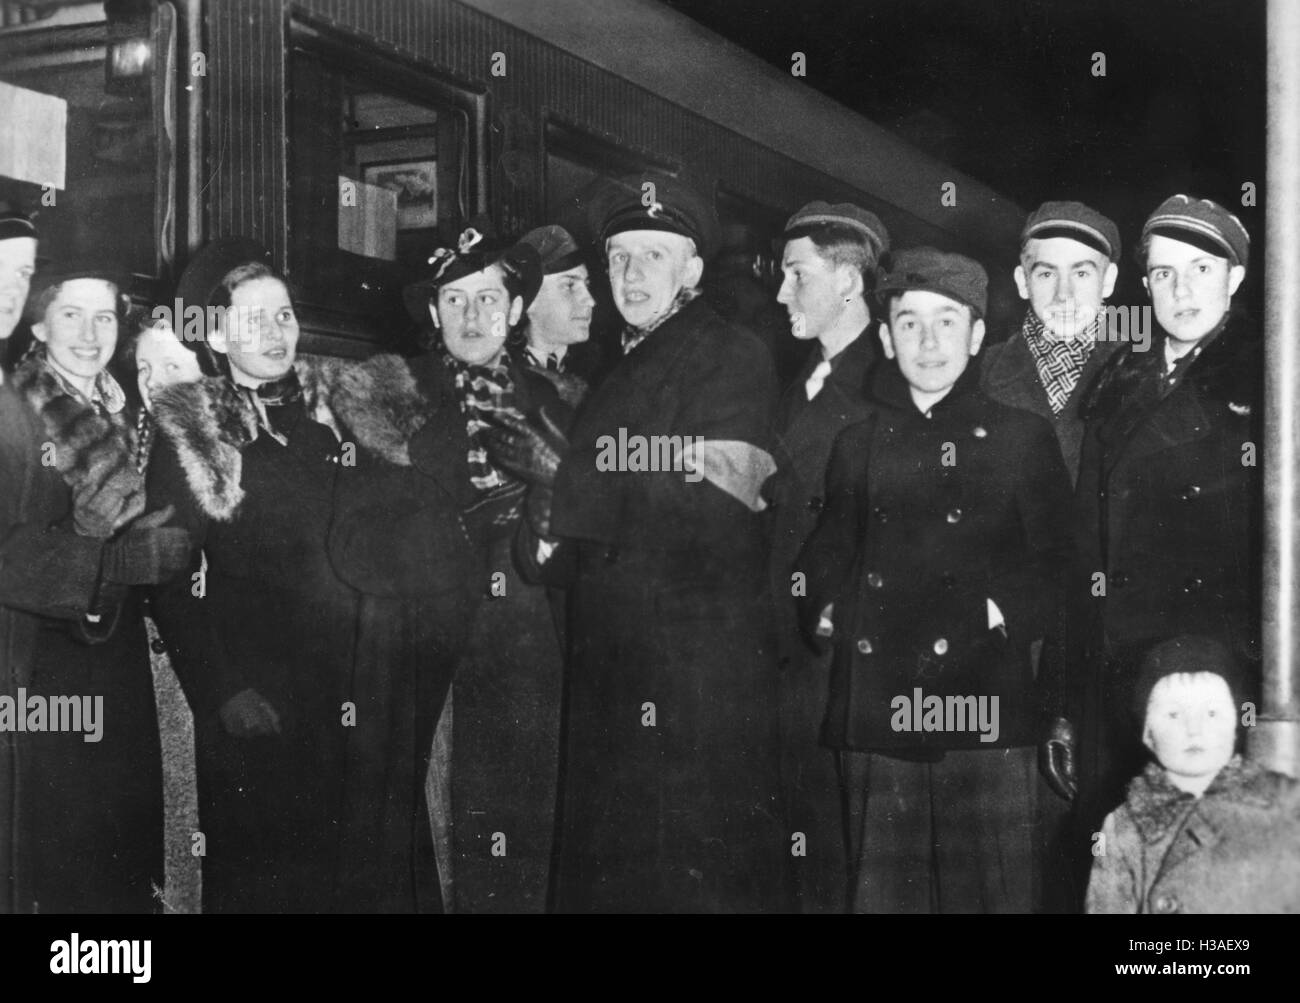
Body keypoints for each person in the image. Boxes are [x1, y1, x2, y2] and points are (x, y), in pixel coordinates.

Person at [489, 172, 790, 913]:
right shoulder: (622, 363)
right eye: (618, 257)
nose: (628, 275)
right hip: (624, 662)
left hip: (688, 672)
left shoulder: (731, 352)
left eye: (652, 257)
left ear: (691, 269)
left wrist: (566, 476)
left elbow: (718, 490)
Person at [147, 242, 446, 912]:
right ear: (218, 334)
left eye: (283, 315)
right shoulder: (193, 428)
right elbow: (167, 579)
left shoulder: (334, 411)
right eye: (255, 320)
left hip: (357, 691)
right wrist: (223, 692)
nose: (277, 332)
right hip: (264, 706)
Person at [797, 248, 1074, 913]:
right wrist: (824, 604)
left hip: (984, 708)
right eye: (911, 322)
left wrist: (994, 608)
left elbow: (1063, 569)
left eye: (947, 322)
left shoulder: (1022, 438)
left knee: (993, 895)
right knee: (884, 895)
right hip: (879, 709)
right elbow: (825, 550)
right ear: (886, 337)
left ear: (977, 335)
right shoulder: (857, 443)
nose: (929, 341)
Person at [0, 262, 189, 913]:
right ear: (39, 320)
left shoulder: (133, 411)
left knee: (119, 867)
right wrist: (107, 564)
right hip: (42, 671)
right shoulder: (15, 410)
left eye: (104, 315)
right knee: (58, 868)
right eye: (71, 314)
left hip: (121, 665)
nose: (89, 332)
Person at [1073, 195, 1260, 850]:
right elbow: (1084, 554)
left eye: (1201, 269)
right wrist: (1068, 704)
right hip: (1116, 684)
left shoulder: (1269, 384)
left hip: (1212, 692)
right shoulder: (1118, 379)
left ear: (1235, 278)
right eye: (1162, 273)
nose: (1180, 290)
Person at [393, 226, 569, 913]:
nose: (473, 317)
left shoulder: (562, 403)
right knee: (429, 822)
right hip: (424, 640)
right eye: (455, 299)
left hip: (528, 645)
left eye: (489, 299)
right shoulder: (392, 398)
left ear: (518, 309)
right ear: (433, 313)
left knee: (523, 815)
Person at [980, 200, 1126, 909]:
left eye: (1083, 273)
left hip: (1100, 651)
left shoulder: (1136, 377)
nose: (1065, 294)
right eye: (1046, 273)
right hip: (1003, 646)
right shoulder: (977, 375)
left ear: (1112, 281)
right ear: (1019, 279)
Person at [767, 200, 889, 913]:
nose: (782, 292)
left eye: (796, 274)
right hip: (784, 653)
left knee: (838, 857)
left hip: (836, 656)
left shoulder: (889, 385)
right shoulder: (801, 381)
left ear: (848, 280)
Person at [1086, 636, 1300, 914]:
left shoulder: (1281, 807)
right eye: (1174, 715)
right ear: (1147, 734)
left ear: (1237, 725)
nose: (1194, 729)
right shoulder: (1124, 827)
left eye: (1212, 713)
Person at [511, 224, 595, 406]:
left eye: (586, 285)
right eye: (570, 286)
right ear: (529, 302)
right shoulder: (501, 373)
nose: (590, 300)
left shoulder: (603, 371)